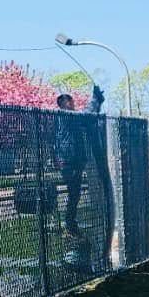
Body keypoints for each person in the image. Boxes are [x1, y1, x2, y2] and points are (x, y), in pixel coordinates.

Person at [53, 93, 90, 238]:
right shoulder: (63, 117)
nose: (72, 104)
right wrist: (58, 158)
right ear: (63, 104)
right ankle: (70, 224)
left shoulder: (73, 118)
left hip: (77, 160)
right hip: (68, 161)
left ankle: (71, 223)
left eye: (71, 101)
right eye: (69, 102)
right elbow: (58, 140)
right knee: (74, 191)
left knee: (76, 193)